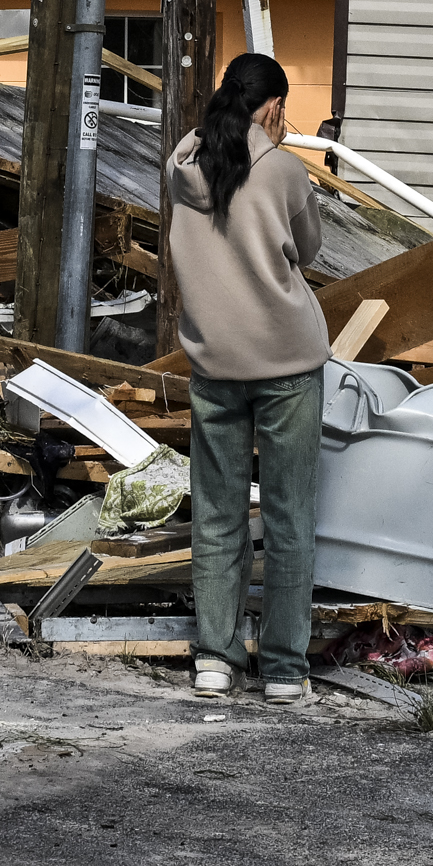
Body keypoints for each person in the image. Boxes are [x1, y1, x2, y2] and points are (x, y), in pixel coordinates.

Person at [163, 51, 326, 703]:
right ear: (275, 106)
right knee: (288, 518)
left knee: (217, 517)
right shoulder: (283, 171)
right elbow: (309, 251)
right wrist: (274, 147)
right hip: (288, 361)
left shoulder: (182, 169)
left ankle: (215, 660)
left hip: (214, 362)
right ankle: (285, 670)